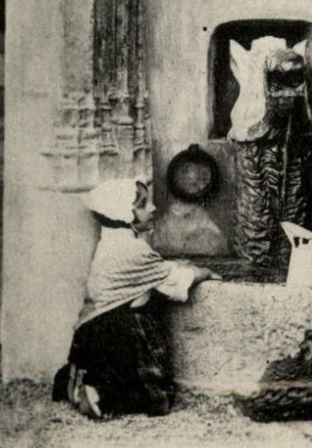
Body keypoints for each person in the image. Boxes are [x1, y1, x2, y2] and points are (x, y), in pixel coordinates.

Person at [53, 177, 220, 418]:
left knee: (124, 382)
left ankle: (82, 383)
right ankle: (96, 393)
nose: (152, 209)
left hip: (94, 330)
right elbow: (173, 282)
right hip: (117, 330)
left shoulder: (113, 241)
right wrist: (204, 272)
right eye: (142, 205)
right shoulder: (133, 249)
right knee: (157, 400)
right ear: (123, 213)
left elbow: (155, 269)